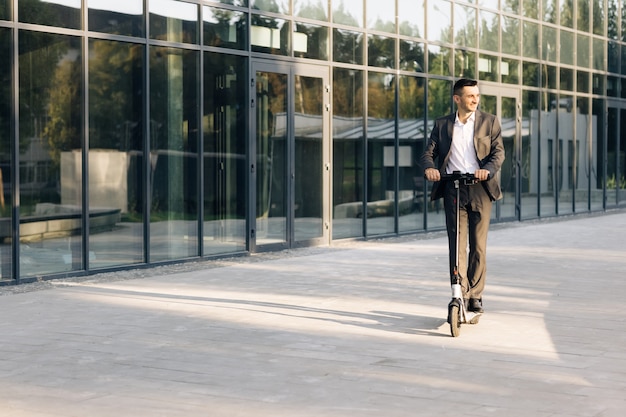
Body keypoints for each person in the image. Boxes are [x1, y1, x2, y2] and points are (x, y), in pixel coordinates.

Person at [420, 78, 505, 314]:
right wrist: (429, 167)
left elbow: (498, 154)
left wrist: (487, 171)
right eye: (470, 96)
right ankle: (458, 290)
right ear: (457, 99)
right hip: (452, 188)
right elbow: (429, 152)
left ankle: (475, 295)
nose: (475, 99)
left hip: (480, 188)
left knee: (478, 246)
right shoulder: (442, 125)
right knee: (456, 244)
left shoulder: (490, 122)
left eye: (477, 95)